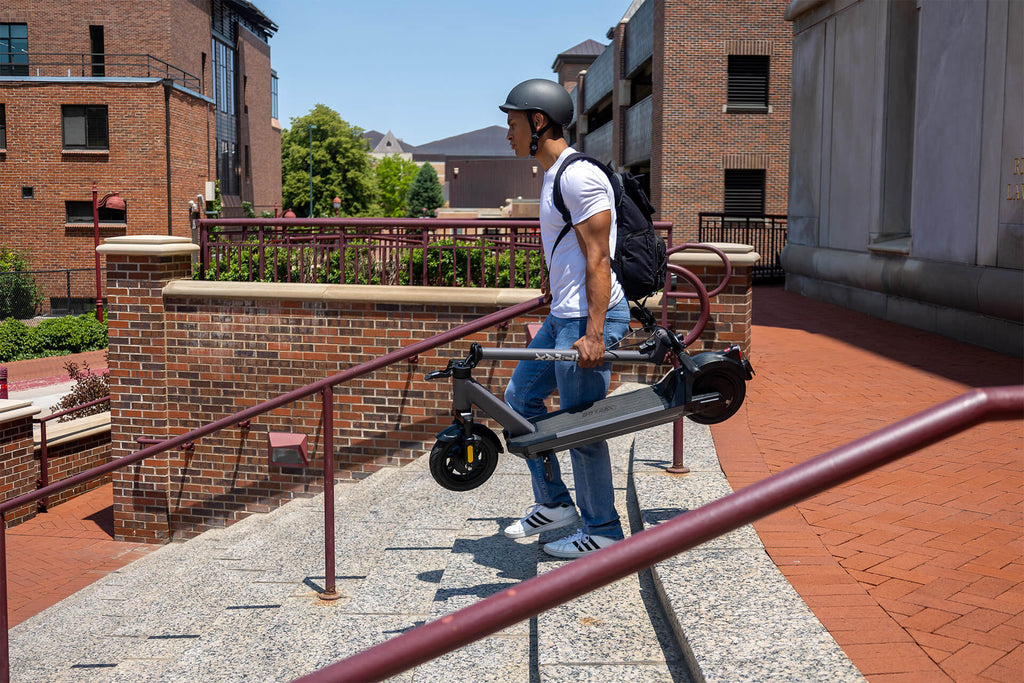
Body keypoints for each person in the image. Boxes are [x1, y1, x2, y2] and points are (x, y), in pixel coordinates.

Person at [498, 78, 631, 559]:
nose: (507, 132)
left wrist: (595, 333)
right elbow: (573, 251)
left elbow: (599, 257)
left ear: (538, 122)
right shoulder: (553, 176)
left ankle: (604, 531)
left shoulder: (578, 176)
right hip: (564, 314)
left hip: (587, 321)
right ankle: (554, 503)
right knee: (518, 398)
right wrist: (555, 282)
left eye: (512, 123)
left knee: (581, 427)